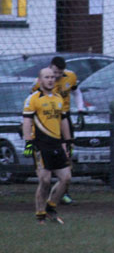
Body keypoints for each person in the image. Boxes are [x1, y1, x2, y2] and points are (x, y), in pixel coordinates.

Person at [31, 56, 86, 205]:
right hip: (47, 121)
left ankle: (63, 192)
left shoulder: (71, 77)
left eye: (59, 73)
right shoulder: (41, 83)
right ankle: (45, 193)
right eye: (54, 72)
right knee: (47, 158)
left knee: (67, 153)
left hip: (64, 118)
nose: (56, 76)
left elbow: (76, 92)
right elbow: (33, 102)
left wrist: (80, 108)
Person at [23, 68, 73, 224]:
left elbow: (64, 120)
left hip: (57, 145)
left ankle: (51, 207)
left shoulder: (59, 99)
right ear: (40, 80)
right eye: (47, 77)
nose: (50, 80)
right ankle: (40, 215)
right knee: (44, 180)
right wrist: (28, 142)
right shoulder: (33, 99)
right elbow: (27, 122)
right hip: (40, 145)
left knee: (66, 178)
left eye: (52, 77)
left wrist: (68, 141)